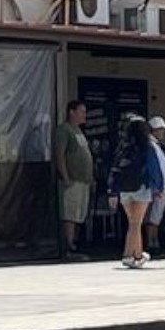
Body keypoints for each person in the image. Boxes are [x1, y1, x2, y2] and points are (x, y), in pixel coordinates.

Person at [107, 116, 165, 269]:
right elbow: (154, 168)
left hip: (124, 189)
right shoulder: (147, 146)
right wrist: (158, 187)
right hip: (141, 187)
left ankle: (128, 253)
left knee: (131, 222)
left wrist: (112, 189)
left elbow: (114, 168)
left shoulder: (123, 147)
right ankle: (136, 255)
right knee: (136, 223)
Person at [54, 100, 93, 261]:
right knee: (70, 214)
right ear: (72, 112)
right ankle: (68, 246)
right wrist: (65, 176)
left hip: (84, 180)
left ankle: (75, 243)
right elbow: (60, 154)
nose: (84, 115)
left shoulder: (79, 131)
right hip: (72, 180)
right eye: (81, 111)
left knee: (79, 214)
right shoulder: (64, 130)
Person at [145, 115, 165, 255]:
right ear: (155, 130)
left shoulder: (155, 145)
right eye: (161, 130)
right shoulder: (150, 145)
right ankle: (151, 242)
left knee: (156, 215)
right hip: (157, 187)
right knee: (153, 215)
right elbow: (153, 167)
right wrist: (157, 186)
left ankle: (153, 240)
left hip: (160, 185)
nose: (163, 133)